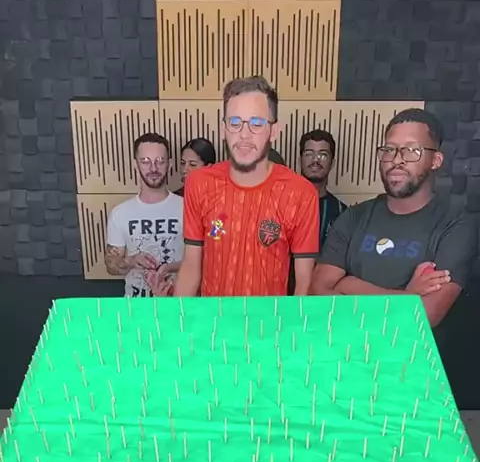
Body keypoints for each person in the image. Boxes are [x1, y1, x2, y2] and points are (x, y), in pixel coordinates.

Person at [311, 108, 478, 329]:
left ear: (436, 160)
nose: (396, 160)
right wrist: (406, 296)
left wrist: (349, 285)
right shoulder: (353, 217)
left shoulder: (455, 225)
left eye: (411, 150)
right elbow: (318, 294)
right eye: (389, 149)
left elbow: (423, 316)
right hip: (351, 349)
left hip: (412, 352)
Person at [174, 75, 319, 298]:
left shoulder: (301, 194)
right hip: (214, 318)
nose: (244, 134)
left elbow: (304, 285)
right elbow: (191, 268)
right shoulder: (199, 184)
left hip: (270, 319)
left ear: (274, 131)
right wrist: (178, 318)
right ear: (223, 128)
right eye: (235, 122)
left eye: (256, 123)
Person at [105, 132, 184, 297]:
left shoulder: (186, 207)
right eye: (146, 161)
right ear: (135, 165)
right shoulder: (120, 213)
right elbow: (111, 265)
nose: (153, 168)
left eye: (160, 161)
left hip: (179, 304)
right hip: (136, 306)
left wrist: (169, 268)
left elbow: (202, 260)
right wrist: (131, 261)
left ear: (169, 164)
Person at [300, 129, 347, 249]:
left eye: (323, 155)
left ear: (332, 163)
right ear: (300, 160)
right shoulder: (284, 205)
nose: (315, 160)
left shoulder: (342, 212)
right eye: (309, 154)